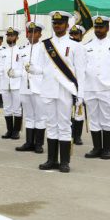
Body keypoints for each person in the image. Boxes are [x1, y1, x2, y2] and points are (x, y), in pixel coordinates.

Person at [26, 11, 86, 173]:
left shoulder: (76, 46)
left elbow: (80, 72)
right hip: (48, 89)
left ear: (67, 25)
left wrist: (80, 95)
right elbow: (41, 68)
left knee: (65, 125)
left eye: (60, 23)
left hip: (66, 91)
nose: (57, 25)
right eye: (55, 23)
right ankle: (51, 160)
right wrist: (32, 69)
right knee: (51, 124)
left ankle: (64, 162)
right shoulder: (44, 45)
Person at [83, 16, 110, 160]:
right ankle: (96, 148)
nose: (98, 30)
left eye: (101, 27)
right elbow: (81, 69)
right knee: (94, 119)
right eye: (96, 27)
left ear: (107, 28)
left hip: (108, 89)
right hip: (90, 88)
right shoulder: (86, 46)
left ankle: (107, 149)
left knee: (107, 118)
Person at [16, 22, 47, 154]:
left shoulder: (44, 49)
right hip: (25, 86)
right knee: (29, 116)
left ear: (40, 34)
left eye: (35, 32)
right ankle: (29, 142)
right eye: (30, 32)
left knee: (40, 116)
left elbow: (47, 69)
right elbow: (19, 68)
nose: (31, 35)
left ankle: (39, 144)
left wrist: (36, 70)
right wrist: (14, 73)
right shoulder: (22, 50)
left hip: (39, 87)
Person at [0, 27, 24, 140]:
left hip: (17, 83)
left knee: (17, 108)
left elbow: (24, 68)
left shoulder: (21, 51)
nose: (10, 37)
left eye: (12, 35)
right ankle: (9, 130)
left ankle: (16, 131)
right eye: (8, 35)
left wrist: (17, 73)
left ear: (17, 37)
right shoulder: (2, 52)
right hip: (5, 83)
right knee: (7, 108)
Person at [69, 24, 86, 145]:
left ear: (81, 35)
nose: (73, 36)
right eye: (72, 34)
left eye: (76, 34)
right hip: (69, 83)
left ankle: (77, 136)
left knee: (79, 111)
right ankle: (70, 133)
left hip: (81, 82)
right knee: (68, 110)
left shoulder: (84, 48)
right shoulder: (68, 48)